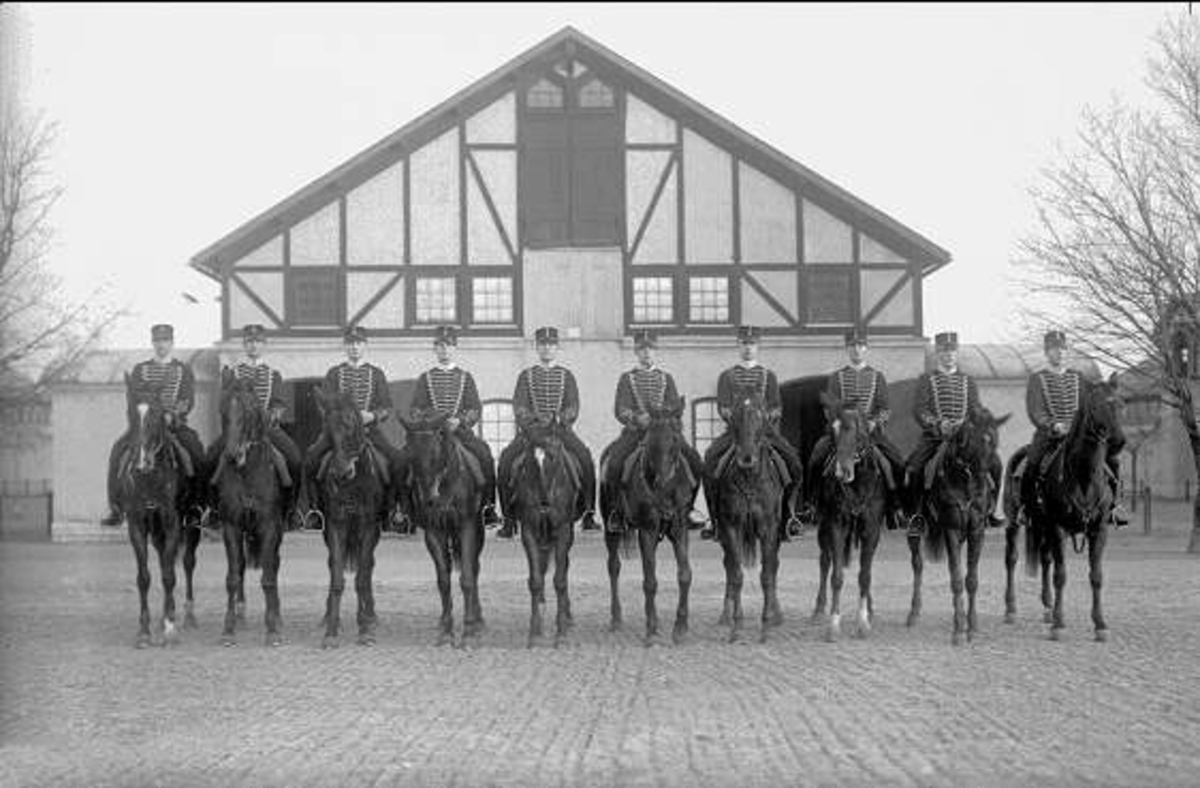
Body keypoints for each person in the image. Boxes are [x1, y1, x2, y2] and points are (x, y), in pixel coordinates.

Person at [699, 325, 805, 541]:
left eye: (752, 344)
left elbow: (776, 407)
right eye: (744, 344)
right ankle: (714, 519)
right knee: (710, 459)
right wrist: (736, 417)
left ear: (758, 346)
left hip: (765, 434)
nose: (748, 348)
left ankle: (788, 516)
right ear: (738, 345)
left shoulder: (768, 376)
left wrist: (763, 418)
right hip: (735, 434)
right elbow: (723, 406)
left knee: (794, 464)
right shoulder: (727, 376)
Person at [396, 325, 503, 529]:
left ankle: (488, 508)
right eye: (440, 345)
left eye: (448, 345)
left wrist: (460, 421)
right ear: (435, 349)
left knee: (484, 453)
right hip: (432, 434)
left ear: (454, 348)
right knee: (403, 459)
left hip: (459, 433)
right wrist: (431, 420)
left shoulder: (465, 377)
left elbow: (475, 408)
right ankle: (403, 510)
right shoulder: (426, 378)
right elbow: (416, 408)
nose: (444, 349)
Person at [496, 326, 599, 538]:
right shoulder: (526, 376)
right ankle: (508, 519)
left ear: (557, 347)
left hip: (560, 431)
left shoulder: (566, 376)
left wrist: (560, 419)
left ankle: (588, 513)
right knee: (506, 460)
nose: (547, 349)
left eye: (551, 345)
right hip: (532, 433)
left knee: (585, 458)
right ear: (537, 347)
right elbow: (519, 406)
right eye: (543, 344)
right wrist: (533, 421)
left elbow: (573, 406)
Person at [298, 325, 403, 529]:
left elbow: (386, 407)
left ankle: (392, 509)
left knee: (398, 461)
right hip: (338, 434)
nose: (354, 347)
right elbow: (324, 406)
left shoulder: (376, 374)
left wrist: (372, 415)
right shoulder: (334, 373)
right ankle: (313, 509)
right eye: (350, 343)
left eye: (358, 343)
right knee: (310, 460)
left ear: (365, 346)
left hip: (368, 431)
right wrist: (338, 421)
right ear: (345, 346)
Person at [101, 324, 207, 527]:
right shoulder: (140, 370)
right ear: (153, 343)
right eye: (158, 341)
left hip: (173, 426)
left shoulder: (182, 370)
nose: (161, 345)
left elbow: (187, 400)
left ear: (172, 343)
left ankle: (196, 506)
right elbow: (132, 401)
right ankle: (116, 507)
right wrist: (138, 420)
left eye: (165, 341)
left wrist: (173, 415)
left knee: (197, 452)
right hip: (144, 425)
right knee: (117, 451)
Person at [1021, 329, 1129, 527]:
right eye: (1054, 349)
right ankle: (1026, 508)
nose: (1059, 353)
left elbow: (1092, 403)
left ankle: (1113, 506)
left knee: (1112, 461)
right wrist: (1053, 425)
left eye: (1062, 349)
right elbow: (1035, 410)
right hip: (1050, 435)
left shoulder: (1078, 378)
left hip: (1079, 435)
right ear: (1046, 352)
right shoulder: (1037, 379)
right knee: (1032, 464)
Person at [599, 329, 704, 532]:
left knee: (694, 460)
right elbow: (620, 408)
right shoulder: (627, 378)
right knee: (615, 462)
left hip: (663, 433)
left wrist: (663, 417)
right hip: (636, 433)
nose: (647, 353)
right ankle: (616, 511)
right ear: (636, 352)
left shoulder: (666, 378)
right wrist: (637, 418)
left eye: (650, 349)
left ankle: (689, 508)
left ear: (656, 351)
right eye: (642, 349)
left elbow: (674, 406)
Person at [805, 328, 907, 530]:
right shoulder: (837, 377)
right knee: (816, 456)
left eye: (860, 345)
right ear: (847, 348)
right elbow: (829, 406)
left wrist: (875, 421)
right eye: (852, 346)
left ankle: (896, 507)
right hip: (843, 432)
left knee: (895, 462)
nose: (856, 349)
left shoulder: (877, 377)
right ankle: (812, 504)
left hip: (870, 434)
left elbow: (885, 408)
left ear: (866, 348)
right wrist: (837, 421)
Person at [904, 331, 1006, 533]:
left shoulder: (968, 381)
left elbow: (975, 407)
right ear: (938, 354)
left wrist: (974, 419)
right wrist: (938, 424)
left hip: (965, 438)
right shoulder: (927, 379)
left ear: (956, 354)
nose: (948, 355)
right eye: (944, 351)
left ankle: (991, 510)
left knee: (995, 463)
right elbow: (920, 409)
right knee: (915, 468)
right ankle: (917, 515)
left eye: (952, 351)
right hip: (935, 438)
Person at [207, 324, 303, 528]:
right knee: (210, 457)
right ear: (244, 345)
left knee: (294, 458)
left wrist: (270, 416)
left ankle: (291, 510)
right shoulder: (233, 373)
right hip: (238, 430)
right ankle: (212, 509)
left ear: (264, 345)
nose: (253, 346)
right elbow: (223, 405)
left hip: (266, 430)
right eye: (249, 342)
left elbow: (278, 405)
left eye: (257, 342)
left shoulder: (273, 375)